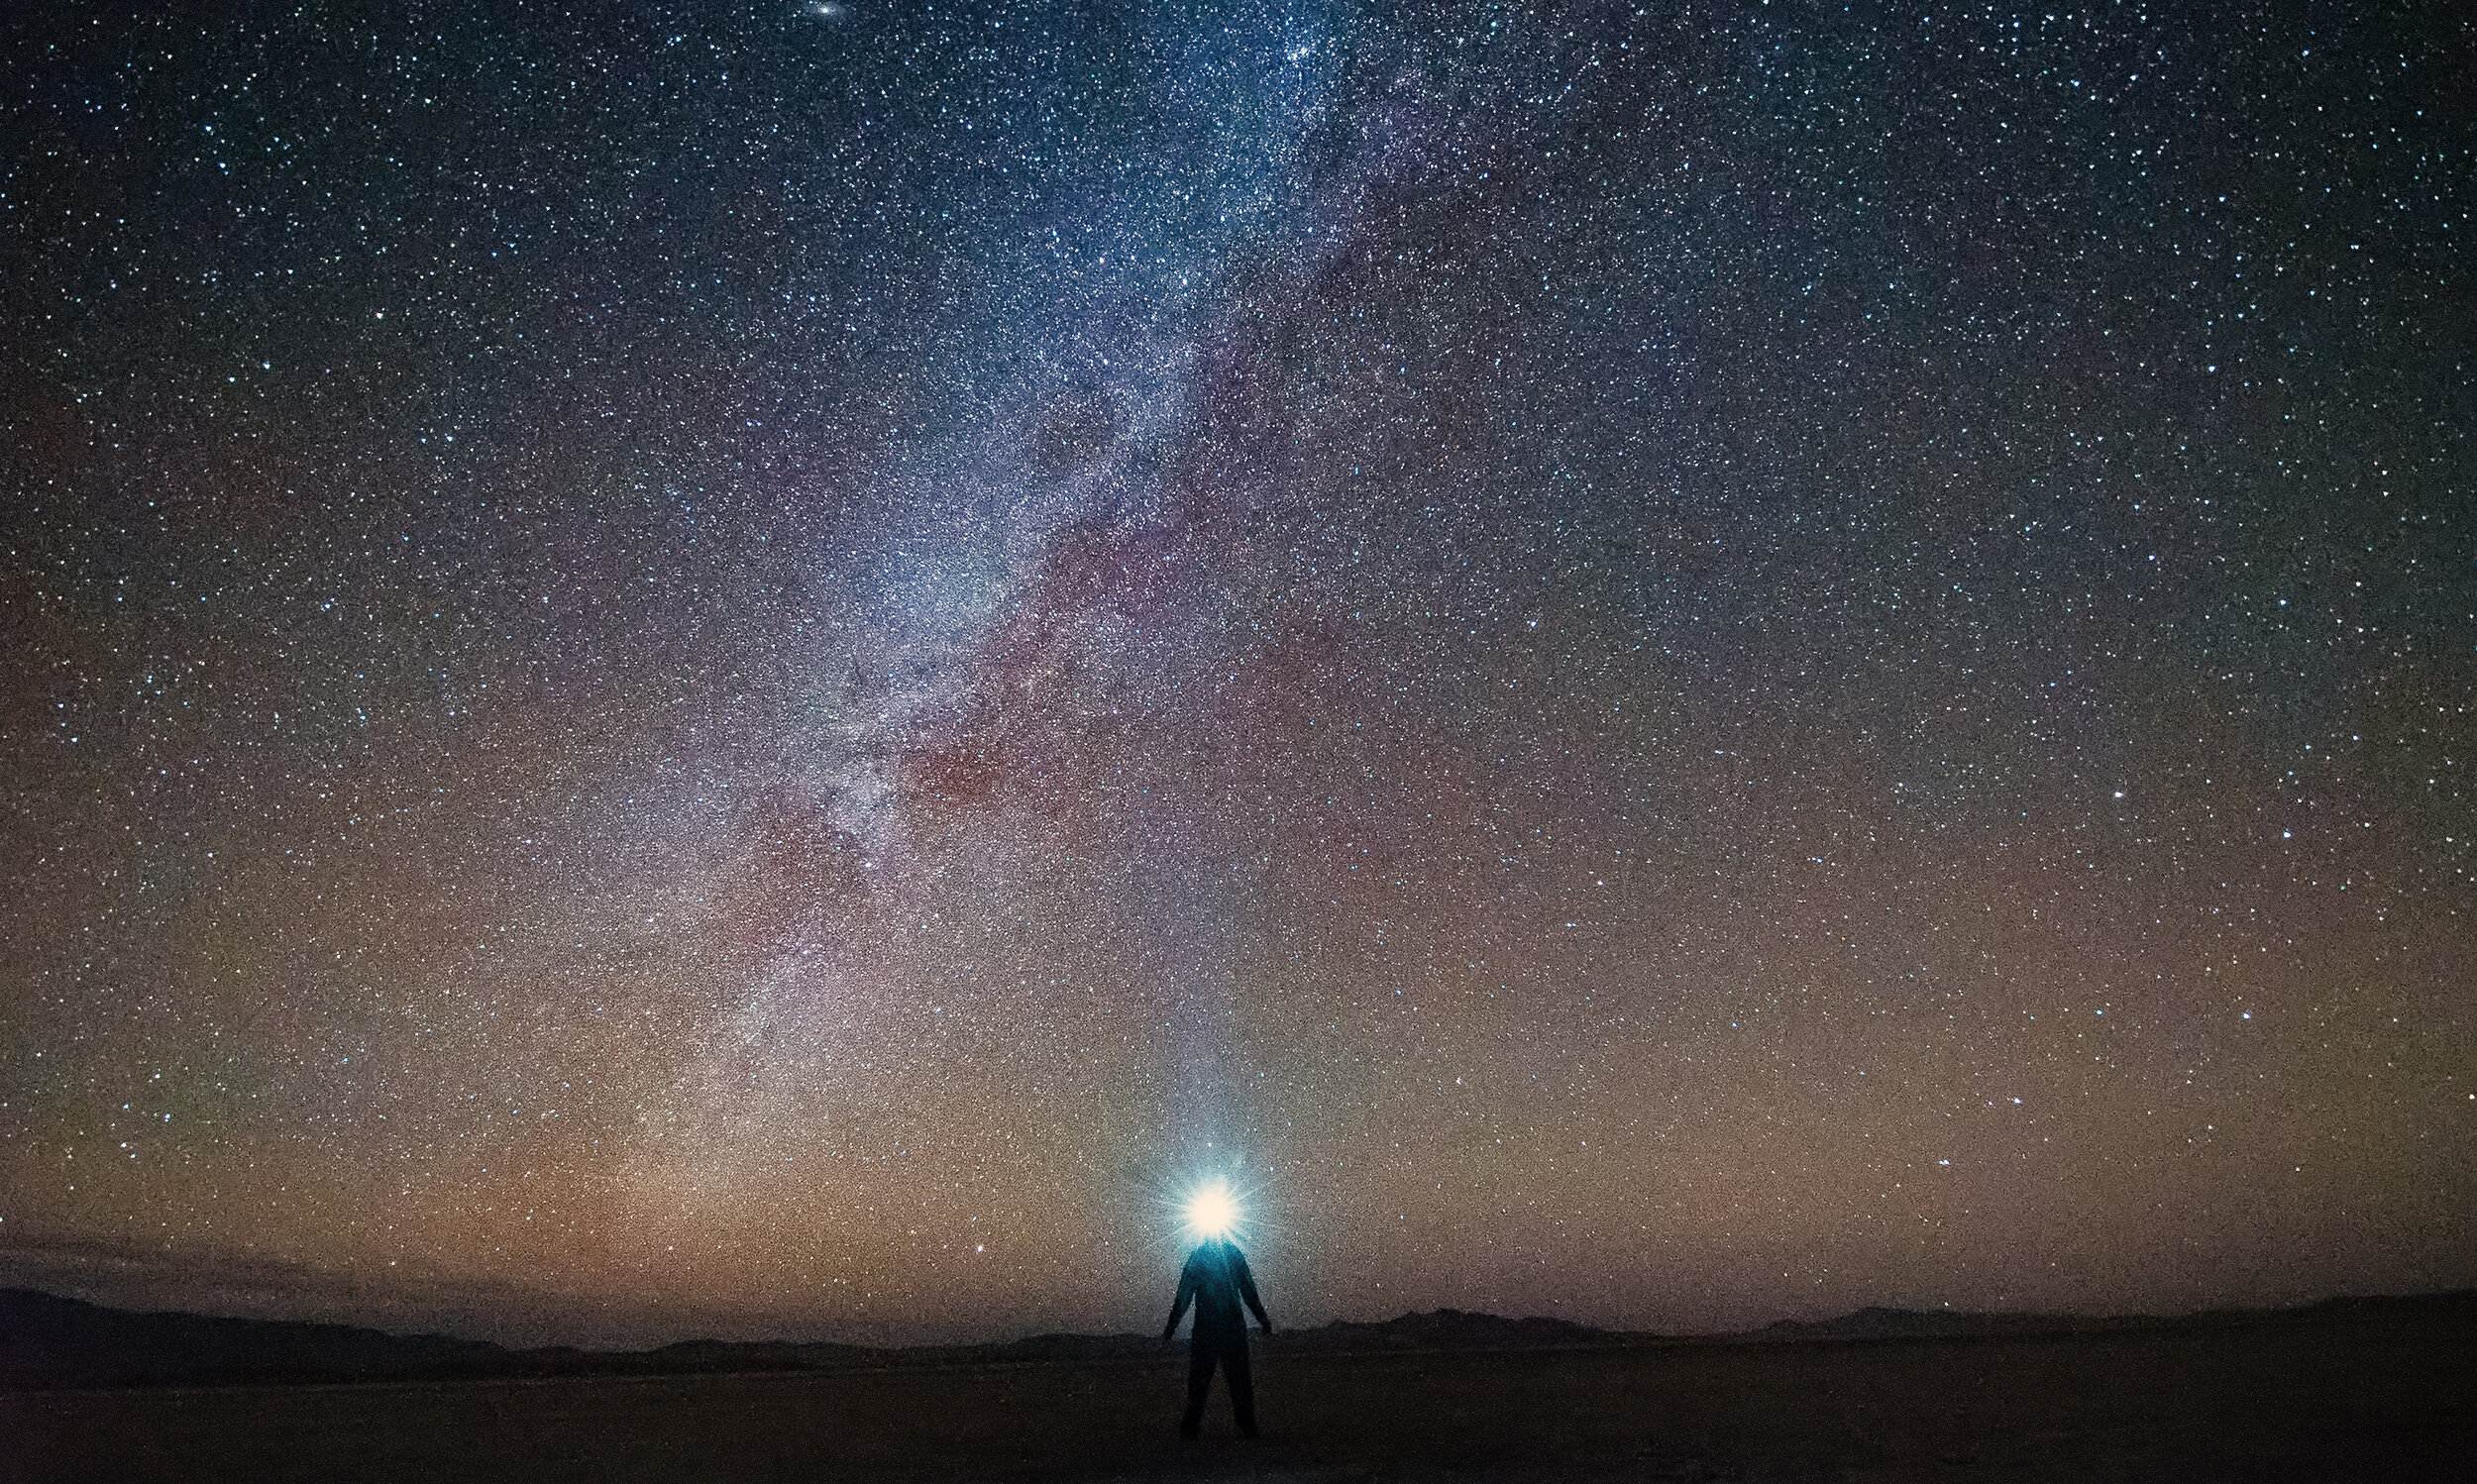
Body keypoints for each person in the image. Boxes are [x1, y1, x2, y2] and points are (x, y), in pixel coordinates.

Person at [1161, 1235, 1273, 1437]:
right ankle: (1200, 1426)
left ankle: (1237, 1425)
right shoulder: (1220, 1255)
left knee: (1226, 1380)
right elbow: (1184, 1293)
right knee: (1209, 1381)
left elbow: (1248, 1290)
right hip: (1218, 1329)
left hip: (1218, 1329)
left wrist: (1171, 1326)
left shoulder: (1207, 1256)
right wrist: (1172, 1325)